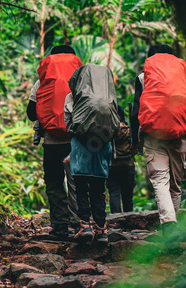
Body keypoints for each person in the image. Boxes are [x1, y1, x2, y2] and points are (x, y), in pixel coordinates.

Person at [130, 44, 186, 227]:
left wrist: (135, 140)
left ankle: (169, 222)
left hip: (153, 134)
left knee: (160, 180)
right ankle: (172, 223)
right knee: (176, 183)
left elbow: (135, 112)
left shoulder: (143, 77)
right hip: (179, 134)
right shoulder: (182, 76)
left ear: (150, 60)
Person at [26, 45, 82, 240]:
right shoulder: (82, 79)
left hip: (52, 141)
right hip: (76, 140)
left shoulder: (42, 80)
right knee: (77, 182)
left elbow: (31, 113)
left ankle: (59, 226)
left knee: (54, 182)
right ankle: (79, 225)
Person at [64, 63, 120, 244]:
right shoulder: (110, 98)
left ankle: (85, 226)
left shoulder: (72, 97)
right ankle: (102, 229)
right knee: (98, 189)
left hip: (81, 148)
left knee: (81, 188)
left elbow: (69, 124)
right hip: (102, 148)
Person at [107, 106, 136, 213]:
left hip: (112, 166)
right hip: (128, 165)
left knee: (114, 192)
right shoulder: (129, 130)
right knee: (128, 195)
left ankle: (116, 219)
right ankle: (129, 219)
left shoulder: (107, 131)